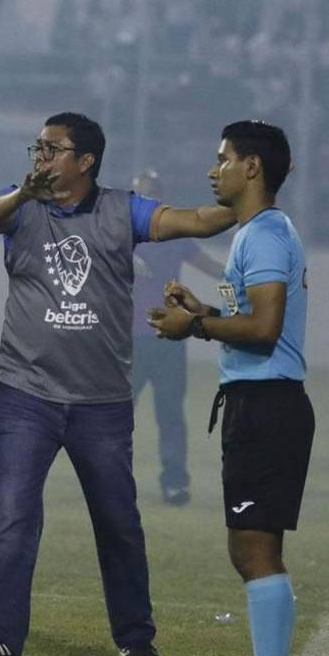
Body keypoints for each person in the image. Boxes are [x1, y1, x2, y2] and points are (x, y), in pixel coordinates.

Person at [0, 112, 237, 656]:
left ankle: (135, 638)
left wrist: (252, 201)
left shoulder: (120, 209)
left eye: (52, 150)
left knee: (117, 521)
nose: (40, 158)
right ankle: (2, 640)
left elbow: (198, 222)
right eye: (37, 148)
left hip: (101, 400)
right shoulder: (18, 206)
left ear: (85, 161)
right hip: (27, 395)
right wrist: (20, 194)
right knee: (13, 516)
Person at [147, 120, 309, 656]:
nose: (213, 170)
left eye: (222, 159)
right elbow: (255, 319)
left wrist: (195, 326)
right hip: (260, 404)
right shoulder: (260, 232)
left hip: (266, 406)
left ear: (252, 168)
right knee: (251, 549)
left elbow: (265, 330)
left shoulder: (262, 235)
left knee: (254, 551)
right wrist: (208, 311)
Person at [130, 170, 227, 506]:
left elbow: (209, 266)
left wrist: (240, 280)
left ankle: (174, 482)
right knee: (120, 416)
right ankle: (115, 479)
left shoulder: (173, 235)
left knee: (168, 413)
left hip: (166, 338)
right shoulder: (123, 235)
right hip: (135, 339)